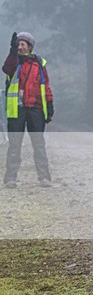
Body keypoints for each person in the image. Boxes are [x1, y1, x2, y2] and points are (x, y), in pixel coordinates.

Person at [3, 31, 54, 188]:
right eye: (18, 44)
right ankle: (10, 179)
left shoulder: (39, 63)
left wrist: (50, 104)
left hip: (36, 109)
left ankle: (44, 178)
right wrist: (12, 52)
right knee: (14, 145)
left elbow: (45, 85)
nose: (20, 46)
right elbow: (6, 69)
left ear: (30, 46)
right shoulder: (13, 62)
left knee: (38, 145)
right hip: (17, 110)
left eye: (22, 44)